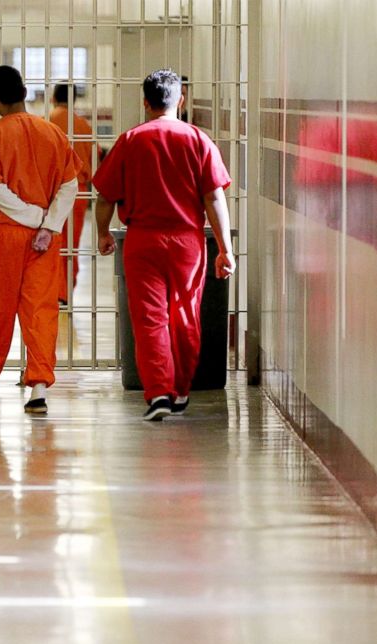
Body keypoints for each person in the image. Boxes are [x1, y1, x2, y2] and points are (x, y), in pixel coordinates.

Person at [92, 68, 234, 421]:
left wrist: (103, 233)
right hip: (188, 241)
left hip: (143, 240)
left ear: (145, 102)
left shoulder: (130, 141)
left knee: (149, 319)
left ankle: (158, 393)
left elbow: (105, 198)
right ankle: (181, 391)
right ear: (180, 100)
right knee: (185, 315)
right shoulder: (199, 140)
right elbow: (214, 198)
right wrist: (225, 248)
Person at [0, 66, 82, 414]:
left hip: (5, 235)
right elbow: (69, 185)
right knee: (41, 311)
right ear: (25, 92)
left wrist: (32, 219)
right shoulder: (53, 134)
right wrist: (48, 225)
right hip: (44, 240)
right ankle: (39, 389)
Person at [48, 82, 94, 303]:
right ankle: (66, 292)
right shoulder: (83, 125)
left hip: (52, 191)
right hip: (79, 192)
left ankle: (53, 292)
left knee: (51, 240)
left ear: (53, 98)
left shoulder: (47, 121)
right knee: (71, 246)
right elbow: (94, 162)